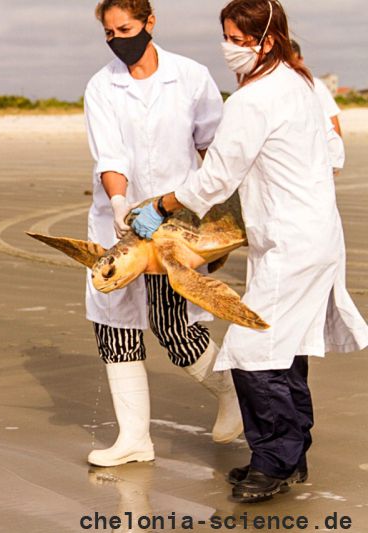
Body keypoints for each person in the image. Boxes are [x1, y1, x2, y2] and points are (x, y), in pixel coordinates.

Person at [130, 0, 368, 503]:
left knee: (255, 351)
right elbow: (328, 154)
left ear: (266, 38)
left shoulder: (253, 100)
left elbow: (217, 177)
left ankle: (274, 462)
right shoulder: (300, 83)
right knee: (285, 349)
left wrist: (163, 205)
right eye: (226, 37)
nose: (229, 48)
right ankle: (290, 455)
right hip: (312, 234)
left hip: (291, 244)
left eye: (239, 39)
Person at [83, 0, 242, 469]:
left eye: (125, 28)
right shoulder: (101, 86)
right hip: (119, 224)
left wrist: (221, 225)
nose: (117, 39)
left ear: (150, 23)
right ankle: (134, 439)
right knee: (113, 322)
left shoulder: (190, 77)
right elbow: (109, 155)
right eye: (109, 33)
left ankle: (233, 396)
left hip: (177, 223)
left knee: (175, 327)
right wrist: (118, 205)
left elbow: (215, 150)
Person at [291, 40, 342, 137]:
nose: (289, 67)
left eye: (292, 62)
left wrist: (338, 151)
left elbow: (334, 123)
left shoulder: (316, 86)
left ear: (301, 60)